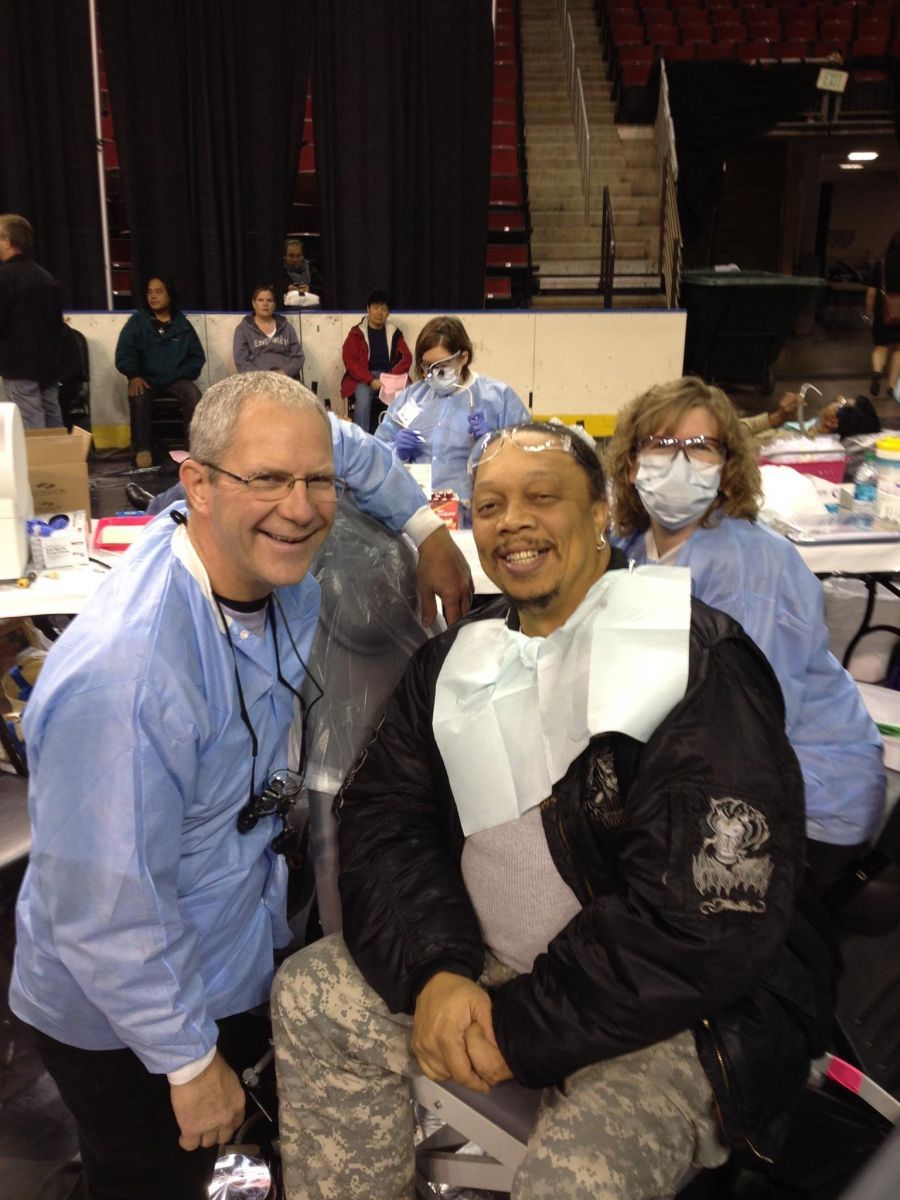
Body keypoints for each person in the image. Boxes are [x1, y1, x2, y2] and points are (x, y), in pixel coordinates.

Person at [272, 421, 834, 1200]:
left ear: (602, 510)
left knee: (578, 1183)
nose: (515, 523)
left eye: (544, 498)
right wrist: (436, 971)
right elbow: (384, 819)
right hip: (485, 968)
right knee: (309, 994)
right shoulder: (451, 660)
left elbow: (706, 923)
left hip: (672, 1017)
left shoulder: (694, 664)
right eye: (492, 504)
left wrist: (519, 1027)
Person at [8, 372, 470, 1200]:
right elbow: (108, 912)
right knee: (150, 1175)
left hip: (222, 945)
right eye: (264, 479)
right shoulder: (132, 679)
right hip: (129, 1017)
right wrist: (187, 1063)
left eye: (315, 479)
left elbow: (349, 449)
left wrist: (424, 525)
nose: (300, 506)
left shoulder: (273, 584)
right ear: (197, 482)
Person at [606, 377, 885, 891]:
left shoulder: (754, 566)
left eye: (700, 446)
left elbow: (747, 730)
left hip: (806, 795)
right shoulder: (631, 546)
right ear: (630, 462)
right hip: (704, 768)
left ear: (728, 464)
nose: (679, 461)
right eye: (661, 445)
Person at [375, 314, 529, 505]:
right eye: (427, 366)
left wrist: (494, 444)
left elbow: (527, 458)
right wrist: (397, 450)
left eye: (442, 366)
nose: (432, 373)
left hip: (475, 507)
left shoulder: (497, 398)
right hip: (417, 505)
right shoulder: (413, 398)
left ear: (463, 358)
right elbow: (378, 451)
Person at [115, 275, 206, 468]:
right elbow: (124, 353)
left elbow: (197, 358)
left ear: (170, 295)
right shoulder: (137, 323)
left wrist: (179, 373)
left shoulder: (182, 325)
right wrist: (134, 375)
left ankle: (193, 450)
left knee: (193, 393)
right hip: (145, 380)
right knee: (138, 394)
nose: (153, 297)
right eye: (149, 292)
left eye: (158, 292)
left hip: (176, 379)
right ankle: (142, 450)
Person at [0, 213, 64, 429]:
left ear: (7, 241)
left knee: (31, 429)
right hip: (49, 365)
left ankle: (39, 464)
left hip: (19, 367)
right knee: (53, 422)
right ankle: (61, 463)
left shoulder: (5, 277)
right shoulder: (47, 277)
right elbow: (58, 326)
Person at [340, 290, 412, 433]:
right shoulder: (356, 334)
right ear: (368, 309)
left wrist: (389, 379)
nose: (380, 312)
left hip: (390, 376)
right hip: (365, 379)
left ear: (388, 313)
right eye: (376, 307)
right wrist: (370, 380)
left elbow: (406, 358)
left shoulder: (395, 333)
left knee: (409, 394)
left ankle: (403, 437)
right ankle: (361, 440)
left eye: (384, 309)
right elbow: (350, 362)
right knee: (363, 399)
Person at [233, 284, 304, 377]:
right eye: (260, 300)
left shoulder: (287, 327)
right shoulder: (242, 329)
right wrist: (263, 376)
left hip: (285, 379)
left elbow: (298, 357)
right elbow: (241, 362)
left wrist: (284, 372)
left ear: (274, 305)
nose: (265, 304)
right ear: (253, 304)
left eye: (269, 300)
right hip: (256, 381)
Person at [865, 230, 900, 397]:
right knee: (899, 350)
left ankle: (877, 373)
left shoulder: (881, 264)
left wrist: (868, 314)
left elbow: (871, 293)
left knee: (880, 347)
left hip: (882, 312)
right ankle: (891, 386)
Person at [279, 238, 320, 308]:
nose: (295, 259)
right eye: (291, 255)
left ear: (303, 257)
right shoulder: (279, 272)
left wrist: (309, 289)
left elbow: (322, 289)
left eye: (298, 256)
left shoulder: (311, 270)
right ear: (285, 256)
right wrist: (286, 289)